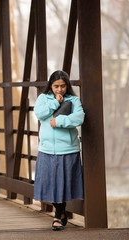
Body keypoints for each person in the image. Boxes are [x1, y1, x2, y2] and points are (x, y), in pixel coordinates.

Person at [33, 70, 85, 231]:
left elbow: (79, 118)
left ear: (67, 85)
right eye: (56, 86)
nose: (60, 89)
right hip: (47, 149)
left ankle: (58, 215)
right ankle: (61, 214)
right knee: (49, 184)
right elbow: (39, 114)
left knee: (63, 184)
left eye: (62, 86)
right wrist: (55, 102)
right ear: (51, 85)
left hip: (68, 149)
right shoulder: (43, 99)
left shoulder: (73, 100)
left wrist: (60, 120)